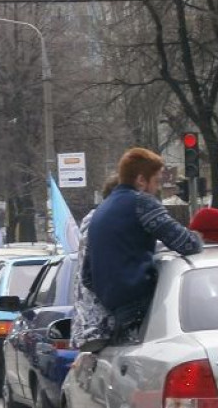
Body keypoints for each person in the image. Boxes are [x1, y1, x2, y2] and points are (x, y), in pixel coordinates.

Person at [82, 148, 204, 349]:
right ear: (141, 180)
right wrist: (200, 236)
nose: (156, 189)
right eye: (155, 181)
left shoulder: (101, 210)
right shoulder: (141, 202)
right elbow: (186, 244)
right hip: (142, 309)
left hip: (118, 313)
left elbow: (87, 275)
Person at [72, 173, 119, 351]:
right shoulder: (105, 224)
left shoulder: (93, 221)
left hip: (88, 327)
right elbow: (92, 276)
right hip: (101, 325)